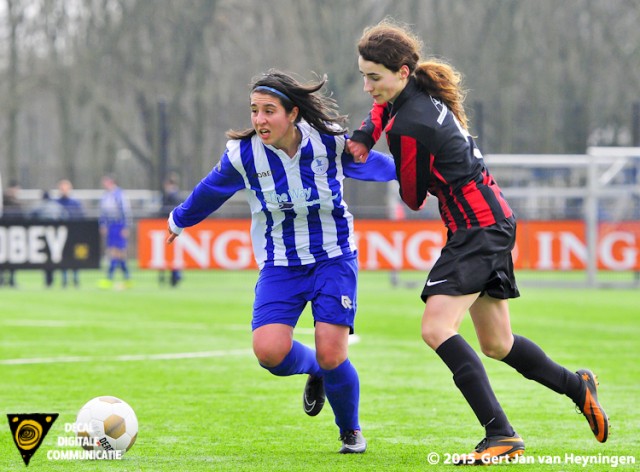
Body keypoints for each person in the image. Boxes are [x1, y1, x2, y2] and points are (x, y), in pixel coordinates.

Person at [347, 19, 609, 464]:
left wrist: (373, 158)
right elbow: (383, 113)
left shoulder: (408, 123)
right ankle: (576, 385)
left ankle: (501, 435)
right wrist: (364, 135)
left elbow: (411, 198)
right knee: (497, 343)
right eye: (363, 76)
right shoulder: (415, 99)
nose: (368, 87)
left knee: (435, 328)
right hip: (492, 220)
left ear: (403, 72)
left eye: (375, 77)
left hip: (477, 229)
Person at [167, 69, 396, 453]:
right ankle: (318, 371)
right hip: (280, 265)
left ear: (292, 114)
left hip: (333, 258)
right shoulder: (244, 155)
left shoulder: (329, 144)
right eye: (254, 111)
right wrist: (179, 219)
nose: (258, 120)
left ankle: (350, 430)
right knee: (269, 352)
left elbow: (380, 166)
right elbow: (210, 191)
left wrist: (425, 175)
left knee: (333, 349)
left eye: (268, 111)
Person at [30, 190, 69, 286]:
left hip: (42, 238)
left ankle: (48, 280)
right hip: (57, 237)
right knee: (59, 259)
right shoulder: (57, 206)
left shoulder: (39, 207)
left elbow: (29, 217)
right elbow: (65, 217)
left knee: (46, 261)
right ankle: (64, 280)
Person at [99, 174, 132, 288]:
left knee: (119, 252)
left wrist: (126, 226)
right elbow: (103, 213)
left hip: (119, 225)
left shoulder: (119, 195)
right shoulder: (106, 196)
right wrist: (103, 225)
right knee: (113, 252)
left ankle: (114, 278)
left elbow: (125, 211)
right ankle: (124, 278)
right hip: (111, 226)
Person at [57, 179, 85, 287]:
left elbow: (81, 217)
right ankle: (64, 280)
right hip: (61, 235)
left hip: (74, 234)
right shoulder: (57, 203)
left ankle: (75, 279)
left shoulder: (75, 203)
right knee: (63, 257)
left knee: (75, 257)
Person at [158, 176, 183, 287]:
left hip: (172, 230)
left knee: (172, 253)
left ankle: (175, 276)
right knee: (169, 254)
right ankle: (171, 276)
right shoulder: (169, 196)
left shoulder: (173, 197)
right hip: (170, 229)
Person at [0, 180, 23, 287]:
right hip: (4, 233)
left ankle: (12, 279)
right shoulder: (5, 200)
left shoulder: (16, 202)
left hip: (14, 234)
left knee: (13, 259)